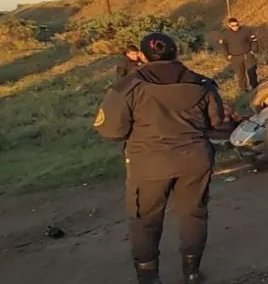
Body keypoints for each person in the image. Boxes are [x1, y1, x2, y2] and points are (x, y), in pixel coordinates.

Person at [92, 32, 235, 284]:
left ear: (143, 56)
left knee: (145, 220)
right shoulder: (202, 84)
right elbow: (215, 122)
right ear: (176, 52)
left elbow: (111, 131)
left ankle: (149, 277)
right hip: (194, 159)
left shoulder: (128, 87)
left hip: (148, 164)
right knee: (193, 214)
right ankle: (191, 273)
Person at [217, 17, 259, 92]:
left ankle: (255, 88)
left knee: (252, 72)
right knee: (240, 75)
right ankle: (243, 90)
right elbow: (223, 45)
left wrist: (253, 51)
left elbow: (254, 41)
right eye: (233, 26)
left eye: (237, 25)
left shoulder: (245, 30)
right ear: (229, 26)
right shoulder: (225, 34)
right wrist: (227, 55)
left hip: (247, 55)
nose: (235, 27)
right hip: (235, 57)